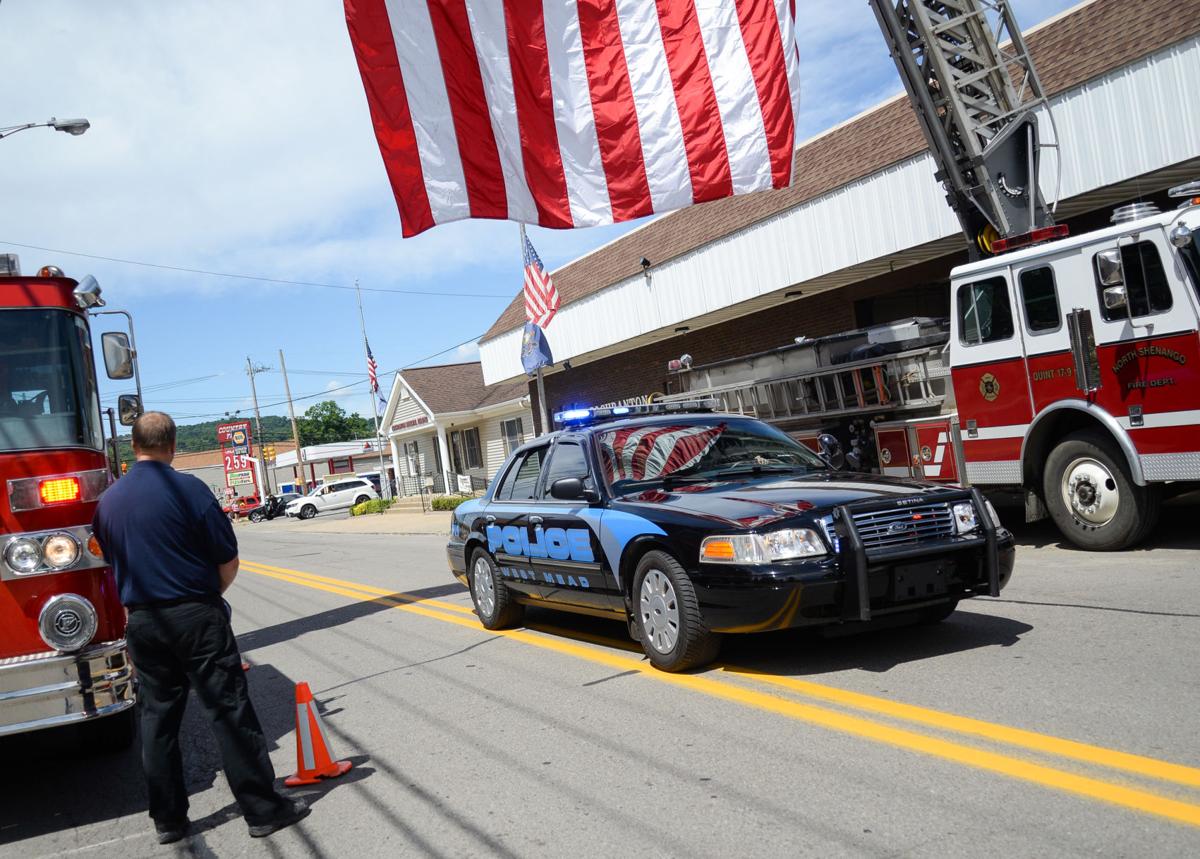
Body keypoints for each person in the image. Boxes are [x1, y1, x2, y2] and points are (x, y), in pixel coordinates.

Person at [92, 412, 309, 843]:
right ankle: (262, 810)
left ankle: (169, 820)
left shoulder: (108, 502)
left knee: (157, 719)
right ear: (172, 446)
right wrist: (210, 598)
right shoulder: (188, 489)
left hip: (144, 622)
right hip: (196, 615)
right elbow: (227, 559)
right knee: (228, 711)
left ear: (133, 446)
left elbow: (106, 558)